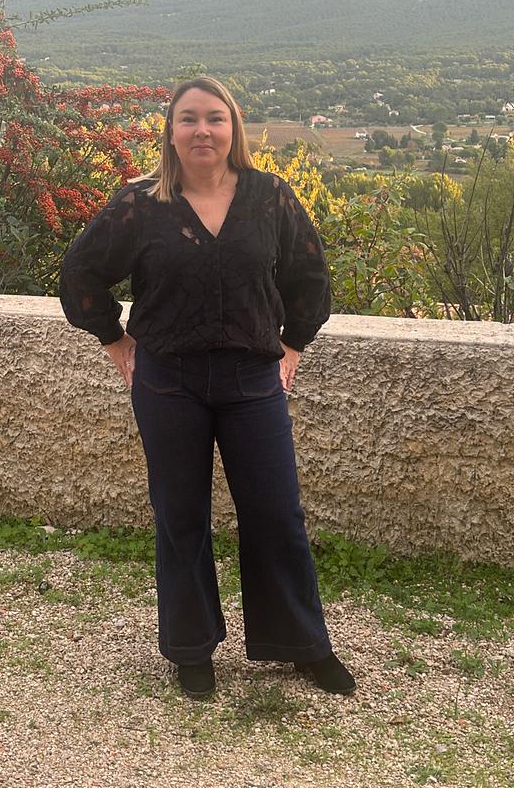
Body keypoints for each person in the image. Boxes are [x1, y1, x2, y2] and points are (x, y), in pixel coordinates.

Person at [59, 76, 356, 700]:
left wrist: (294, 344)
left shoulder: (270, 196)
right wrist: (115, 340)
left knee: (276, 513)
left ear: (233, 128)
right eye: (188, 118)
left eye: (215, 118)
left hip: (253, 380)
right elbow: (81, 273)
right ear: (170, 131)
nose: (202, 130)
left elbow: (309, 277)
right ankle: (191, 649)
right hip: (169, 381)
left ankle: (301, 643)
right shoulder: (140, 203)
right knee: (181, 515)